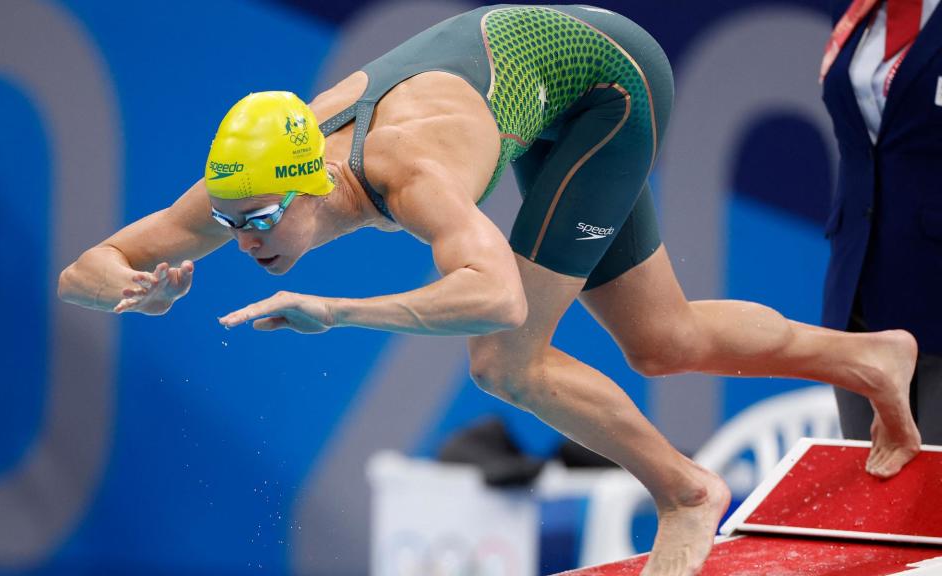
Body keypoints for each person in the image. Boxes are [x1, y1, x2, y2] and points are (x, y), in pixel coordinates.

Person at [59, 5, 921, 575]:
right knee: (663, 340)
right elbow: (83, 269)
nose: (240, 241)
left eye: (254, 223)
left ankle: (686, 492)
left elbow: (498, 296)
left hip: (610, 85)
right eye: (230, 222)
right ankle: (871, 353)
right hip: (544, 90)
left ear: (312, 187)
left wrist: (338, 311)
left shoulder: (414, 168)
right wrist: (131, 290)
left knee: (505, 363)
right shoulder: (252, 184)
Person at [819, 0, 942, 446]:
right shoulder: (853, 9)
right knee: (872, 492)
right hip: (860, 283)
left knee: (935, 499)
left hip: (935, 284)